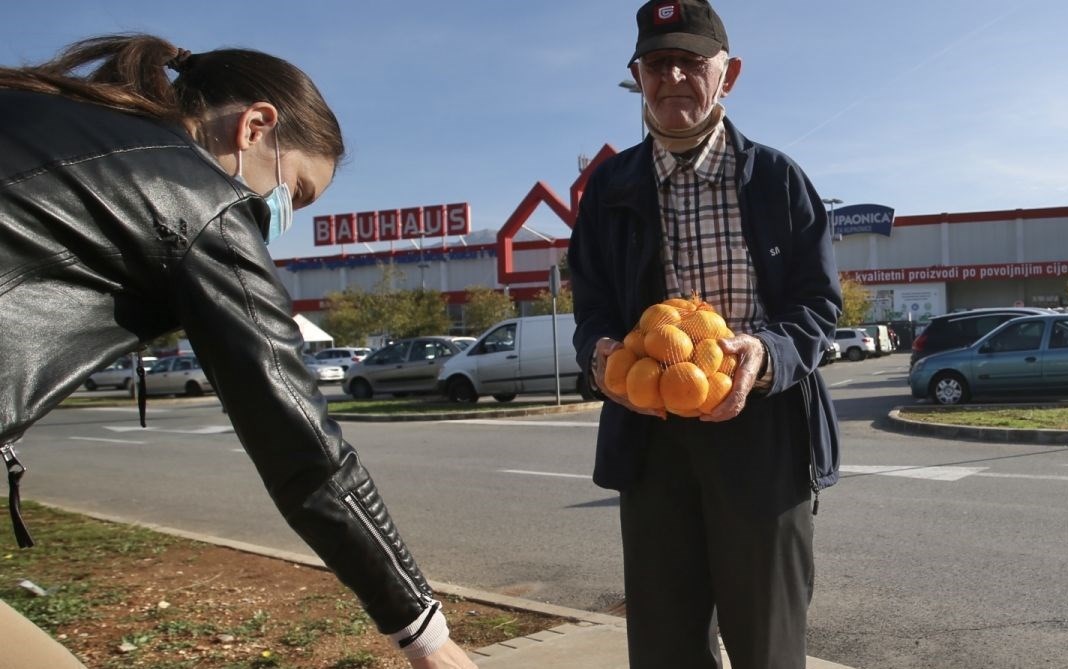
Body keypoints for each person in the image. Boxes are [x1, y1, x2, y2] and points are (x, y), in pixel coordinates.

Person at [0, 35, 476, 669]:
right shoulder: (202, 199)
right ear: (256, 126)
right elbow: (304, 449)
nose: (281, 217)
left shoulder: (48, 114)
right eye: (296, 193)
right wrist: (429, 640)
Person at [568, 2, 842, 667]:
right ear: (638, 76)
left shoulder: (776, 179)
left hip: (763, 431)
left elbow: (818, 305)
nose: (674, 80)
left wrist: (766, 354)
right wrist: (600, 354)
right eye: (657, 65)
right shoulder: (608, 189)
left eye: (691, 63)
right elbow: (593, 307)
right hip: (651, 436)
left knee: (767, 644)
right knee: (665, 643)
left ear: (729, 74)